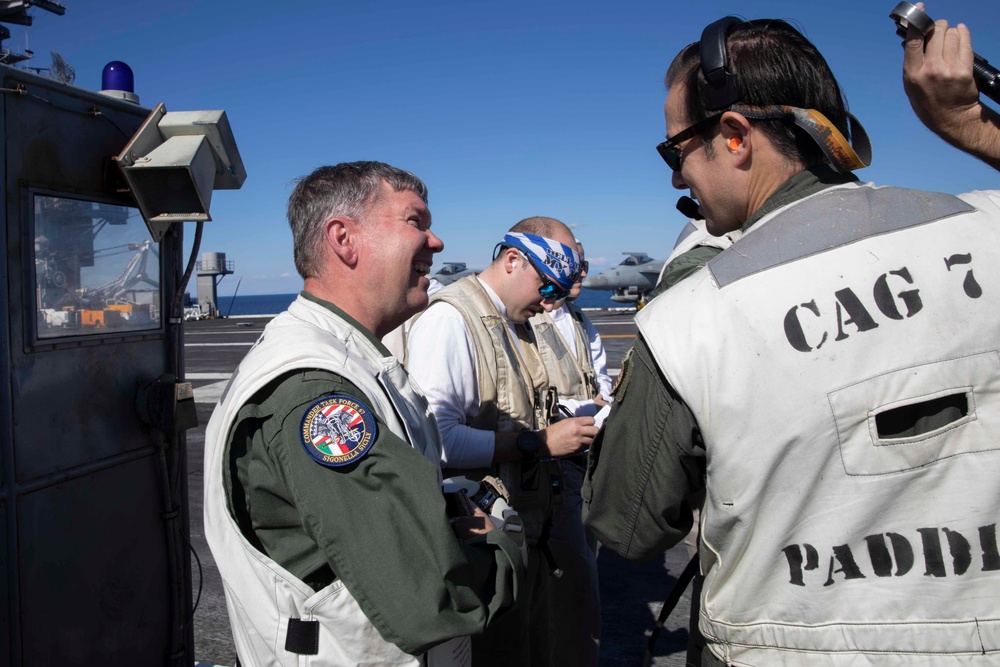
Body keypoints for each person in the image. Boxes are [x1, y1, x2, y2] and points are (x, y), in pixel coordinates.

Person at [584, 10, 1000, 666]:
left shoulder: (689, 315)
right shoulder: (987, 227)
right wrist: (969, 126)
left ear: (734, 135)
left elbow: (624, 523)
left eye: (676, 151)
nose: (674, 178)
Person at [203, 161, 523, 667]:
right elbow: (430, 596)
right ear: (344, 240)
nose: (436, 242)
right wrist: (505, 543)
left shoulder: (341, 357)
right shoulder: (316, 393)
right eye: (415, 221)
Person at [407, 216, 600, 666]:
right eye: (548, 287)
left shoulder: (515, 319)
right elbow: (436, 440)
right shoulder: (453, 319)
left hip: (523, 535)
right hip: (482, 545)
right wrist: (537, 444)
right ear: (513, 260)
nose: (550, 303)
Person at [526, 239, 610, 666]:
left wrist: (593, 405)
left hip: (582, 466)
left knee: (578, 581)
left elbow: (603, 388)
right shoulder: (525, 322)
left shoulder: (579, 320)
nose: (579, 273)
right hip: (547, 471)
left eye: (583, 264)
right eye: (569, 265)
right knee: (570, 588)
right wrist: (588, 406)